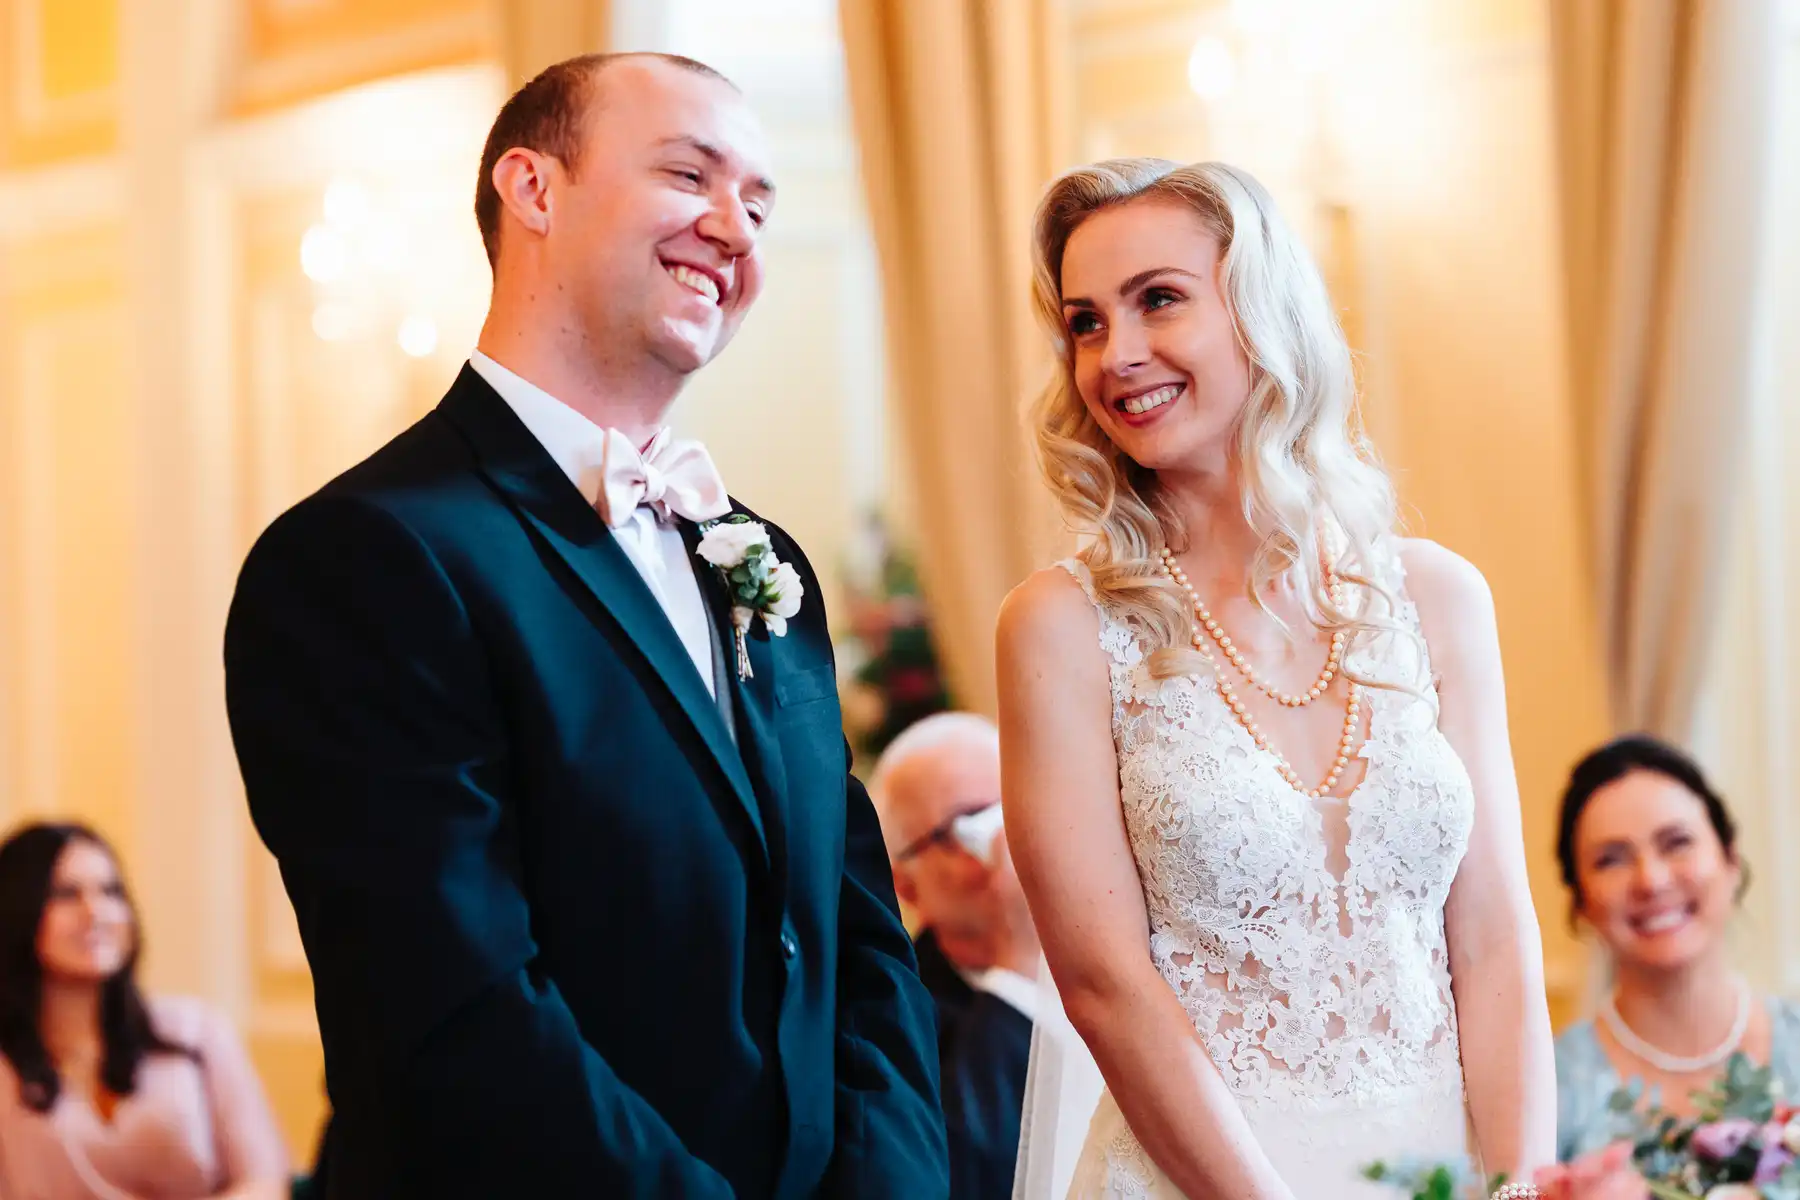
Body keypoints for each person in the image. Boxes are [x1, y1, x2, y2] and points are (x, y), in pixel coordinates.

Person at [223, 52, 946, 1199]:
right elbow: (451, 1010)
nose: (735, 228)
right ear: (533, 189)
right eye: (689, 176)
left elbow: (856, 939)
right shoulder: (368, 558)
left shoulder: (761, 559)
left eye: (760, 205)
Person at [995, 158, 1557, 1198]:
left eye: (1159, 299)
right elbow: (1104, 982)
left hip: (1434, 1166)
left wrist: (1525, 1185)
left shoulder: (1436, 596)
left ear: (1263, 312)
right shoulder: (1062, 626)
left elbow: (1492, 937)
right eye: (1086, 323)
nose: (1118, 355)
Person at [0, 823, 289, 1199]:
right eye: (66, 894)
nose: (96, 912)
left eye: (111, 891)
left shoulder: (196, 1031)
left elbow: (265, 1181)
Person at [1551, 735, 1800, 1161]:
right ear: (1580, 902)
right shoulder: (1551, 1090)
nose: (1651, 880)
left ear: (1730, 859)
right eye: (1611, 859)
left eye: (1677, 842)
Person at [871, 714, 1038, 1200]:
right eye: (968, 825)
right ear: (906, 886)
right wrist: (1017, 968)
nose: (1008, 838)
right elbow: (966, 1177)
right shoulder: (897, 1018)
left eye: (1012, 802)